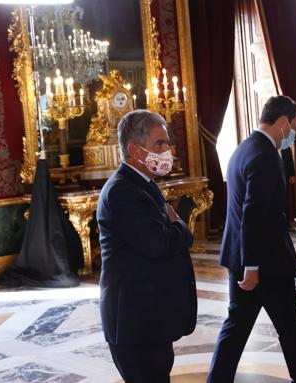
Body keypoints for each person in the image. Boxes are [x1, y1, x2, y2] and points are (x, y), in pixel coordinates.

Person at [208, 96, 296, 383]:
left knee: (236, 329)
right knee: (291, 329)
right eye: (293, 126)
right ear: (282, 123)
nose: (293, 134)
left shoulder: (244, 148)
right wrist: (253, 266)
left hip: (240, 259)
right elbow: (253, 215)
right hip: (265, 265)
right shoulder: (265, 156)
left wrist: (246, 264)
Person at [96, 110, 197, 383]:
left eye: (166, 143)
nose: (167, 151)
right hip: (134, 322)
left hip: (149, 319)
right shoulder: (122, 191)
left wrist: (175, 227)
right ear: (134, 150)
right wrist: (181, 228)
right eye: (159, 144)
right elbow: (159, 243)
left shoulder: (144, 184)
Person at [281, 146, 296, 232]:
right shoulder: (268, 146)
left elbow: (290, 160)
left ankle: (287, 224)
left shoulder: (285, 145)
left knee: (285, 200)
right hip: (272, 177)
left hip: (285, 176)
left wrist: (292, 174)